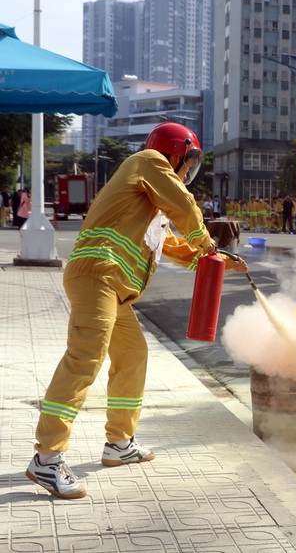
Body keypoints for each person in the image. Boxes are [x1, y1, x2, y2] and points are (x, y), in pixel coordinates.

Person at [25, 122, 249, 501]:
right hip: (97, 274)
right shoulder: (146, 161)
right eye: (188, 163)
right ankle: (47, 457)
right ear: (174, 154)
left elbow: (180, 247)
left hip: (113, 289)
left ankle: (119, 444)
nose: (187, 173)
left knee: (132, 355)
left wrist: (220, 260)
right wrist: (206, 239)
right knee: (85, 359)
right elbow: (183, 205)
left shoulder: (152, 210)